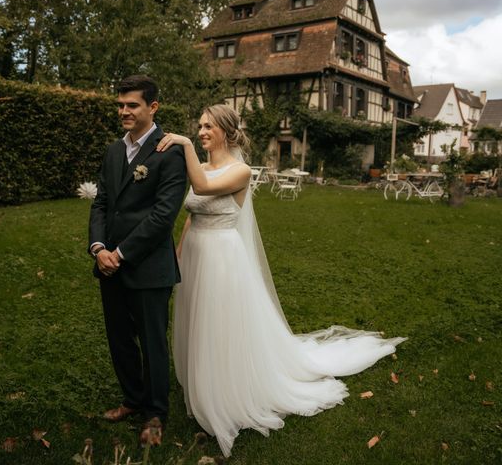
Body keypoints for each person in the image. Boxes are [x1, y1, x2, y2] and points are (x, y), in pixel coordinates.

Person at [157, 104, 406, 457]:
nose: (200, 132)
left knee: (219, 324)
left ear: (227, 132)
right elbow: (191, 212)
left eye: (208, 126)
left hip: (221, 257)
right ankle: (199, 382)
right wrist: (179, 252)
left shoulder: (239, 171)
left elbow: (200, 186)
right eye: (198, 126)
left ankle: (225, 390)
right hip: (196, 253)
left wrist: (182, 145)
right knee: (197, 321)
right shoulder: (207, 164)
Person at [88, 75, 187, 445]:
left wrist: (122, 253)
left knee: (151, 341)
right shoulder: (114, 150)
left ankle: (156, 413)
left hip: (147, 267)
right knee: (119, 339)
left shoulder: (170, 151)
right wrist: (99, 248)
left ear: (153, 107)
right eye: (120, 105)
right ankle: (132, 398)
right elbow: (101, 202)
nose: (124, 111)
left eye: (132, 105)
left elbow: (163, 216)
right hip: (108, 264)